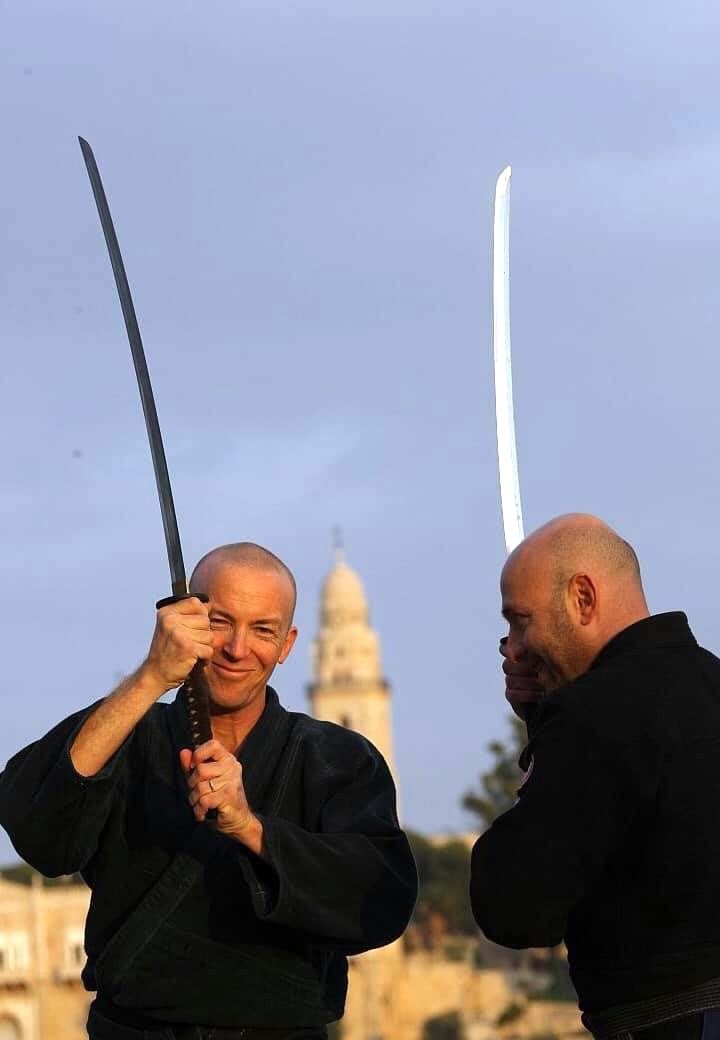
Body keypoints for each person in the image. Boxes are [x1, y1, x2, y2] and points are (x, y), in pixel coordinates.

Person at [0, 542, 418, 1040]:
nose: (238, 649)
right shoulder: (125, 732)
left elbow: (381, 901)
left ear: (287, 645)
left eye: (263, 629)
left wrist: (250, 827)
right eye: (219, 622)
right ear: (186, 623)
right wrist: (152, 675)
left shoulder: (337, 759)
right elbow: (38, 830)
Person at [470, 514, 720, 1040]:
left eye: (521, 621)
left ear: (583, 598)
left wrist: (548, 734)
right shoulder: (708, 681)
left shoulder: (596, 713)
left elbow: (516, 907)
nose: (513, 648)